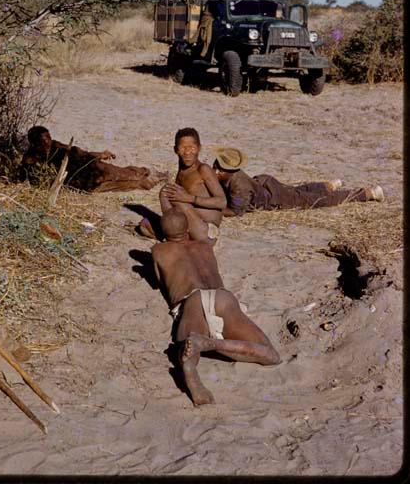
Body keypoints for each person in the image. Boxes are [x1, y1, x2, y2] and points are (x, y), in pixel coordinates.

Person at [151, 209, 281, 406]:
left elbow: (159, 281)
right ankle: (211, 344)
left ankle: (192, 366)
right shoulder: (205, 246)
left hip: (192, 300)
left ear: (162, 233)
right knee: (271, 355)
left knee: (185, 347)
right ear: (187, 228)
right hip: (222, 297)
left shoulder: (158, 251)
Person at [212, 147, 385, 217]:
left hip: (275, 198)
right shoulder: (233, 176)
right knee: (298, 192)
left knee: (318, 201)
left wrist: (214, 209)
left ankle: (368, 193)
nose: (215, 171)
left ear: (227, 171)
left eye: (218, 169)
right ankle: (327, 186)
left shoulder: (238, 186)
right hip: (265, 184)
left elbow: (235, 212)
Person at [139, 127, 226, 244]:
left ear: (199, 148)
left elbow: (222, 202)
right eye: (183, 148)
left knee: (167, 192)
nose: (187, 152)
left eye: (192, 148)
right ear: (176, 150)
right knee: (145, 225)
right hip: (190, 225)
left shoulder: (203, 169)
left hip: (206, 231)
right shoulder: (182, 170)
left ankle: (174, 237)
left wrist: (190, 198)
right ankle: (176, 234)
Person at [20, 126, 168, 192]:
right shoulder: (31, 160)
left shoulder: (55, 146)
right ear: (34, 143)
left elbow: (78, 152)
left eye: (49, 137)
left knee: (121, 173)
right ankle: (148, 182)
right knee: (123, 185)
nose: (48, 142)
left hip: (89, 168)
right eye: (43, 140)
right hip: (81, 182)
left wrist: (100, 154)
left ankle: (150, 173)